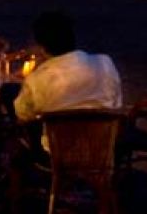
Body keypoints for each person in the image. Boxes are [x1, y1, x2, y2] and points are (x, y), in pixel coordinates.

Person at [13, 11, 122, 149]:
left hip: (58, 154)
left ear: (42, 47)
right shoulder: (105, 63)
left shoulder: (38, 79)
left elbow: (23, 114)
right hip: (102, 149)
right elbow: (116, 102)